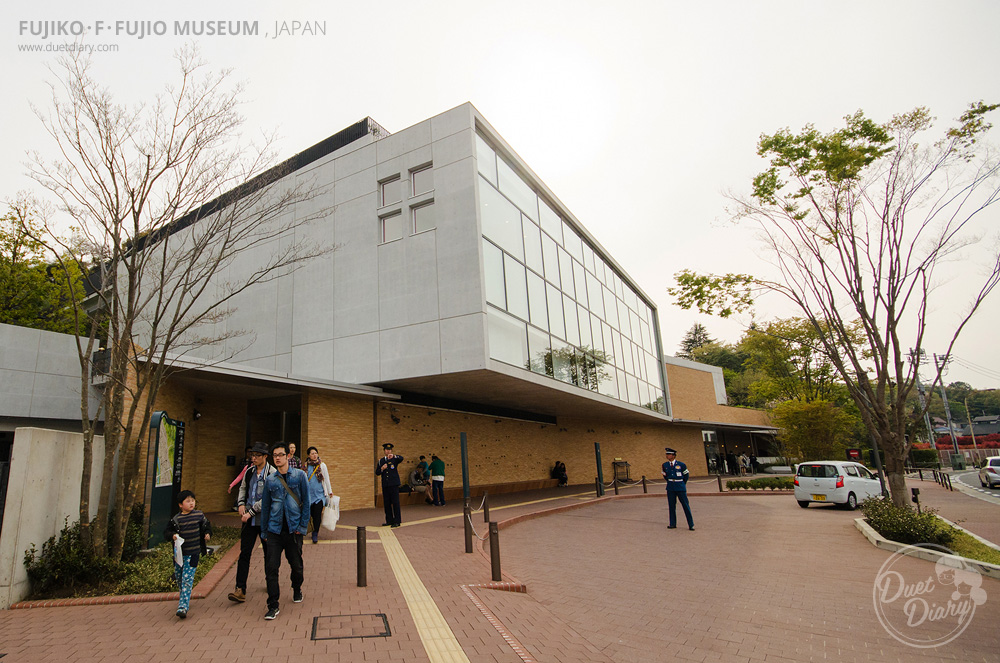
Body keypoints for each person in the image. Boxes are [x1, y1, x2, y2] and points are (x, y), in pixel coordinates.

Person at [260, 441, 310, 620]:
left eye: (281, 455)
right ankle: (273, 605)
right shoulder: (270, 480)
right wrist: (264, 532)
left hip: (293, 530)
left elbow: (307, 503)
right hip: (274, 530)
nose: (278, 458)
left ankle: (297, 588)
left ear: (288, 456)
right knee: (271, 568)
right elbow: (265, 506)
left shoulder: (299, 476)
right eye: (275, 456)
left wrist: (302, 527)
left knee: (296, 566)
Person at [229, 441, 274, 603]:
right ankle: (240, 588)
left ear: (265, 457)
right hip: (247, 520)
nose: (253, 458)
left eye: (257, 455)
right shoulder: (249, 472)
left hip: (265, 520)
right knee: (244, 553)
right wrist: (240, 504)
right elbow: (242, 488)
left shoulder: (272, 474)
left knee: (269, 554)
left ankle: (271, 583)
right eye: (252, 455)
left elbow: (269, 498)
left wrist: (251, 512)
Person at [164, 490, 212, 619]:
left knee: (187, 579)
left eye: (193, 500)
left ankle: (183, 607)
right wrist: (173, 536)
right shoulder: (176, 519)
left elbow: (207, 526)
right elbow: (167, 532)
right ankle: (184, 598)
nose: (191, 503)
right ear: (180, 504)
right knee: (179, 578)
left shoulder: (199, 515)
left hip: (193, 553)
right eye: (188, 501)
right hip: (179, 555)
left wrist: (207, 534)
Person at [305, 446, 333, 544]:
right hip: (308, 495)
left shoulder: (322, 465)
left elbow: (326, 478)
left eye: (315, 453)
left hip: (320, 495)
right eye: (312, 453)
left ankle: (315, 532)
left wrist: (330, 492)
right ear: (308, 455)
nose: (314, 455)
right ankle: (311, 529)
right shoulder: (305, 466)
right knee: (310, 515)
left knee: (317, 515)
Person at [661, 447, 694, 531]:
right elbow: (665, 475)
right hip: (670, 487)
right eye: (667, 454)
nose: (667, 455)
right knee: (671, 506)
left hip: (680, 486)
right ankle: (672, 523)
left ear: (673, 455)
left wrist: (682, 483)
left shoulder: (681, 465)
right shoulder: (665, 465)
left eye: (669, 454)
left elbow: (686, 475)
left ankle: (691, 524)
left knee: (685, 505)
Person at [376, 443, 404, 526]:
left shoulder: (394, 459)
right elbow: (377, 472)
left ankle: (397, 521)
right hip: (385, 484)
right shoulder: (381, 461)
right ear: (384, 451)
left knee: (395, 502)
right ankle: (389, 520)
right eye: (386, 450)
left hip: (394, 484)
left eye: (389, 450)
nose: (388, 451)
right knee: (387, 503)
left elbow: (401, 458)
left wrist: (394, 456)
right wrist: (382, 468)